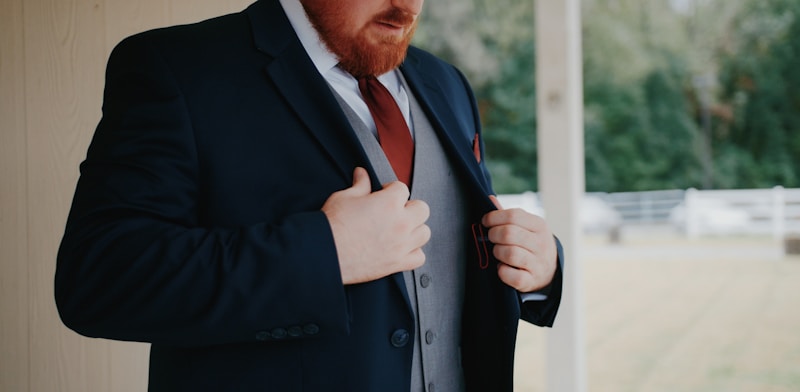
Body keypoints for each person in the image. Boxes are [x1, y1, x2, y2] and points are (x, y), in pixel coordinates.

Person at [55, 0, 564, 390]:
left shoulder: (445, 82)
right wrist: (326, 253)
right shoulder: (178, 69)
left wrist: (539, 271)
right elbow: (100, 280)